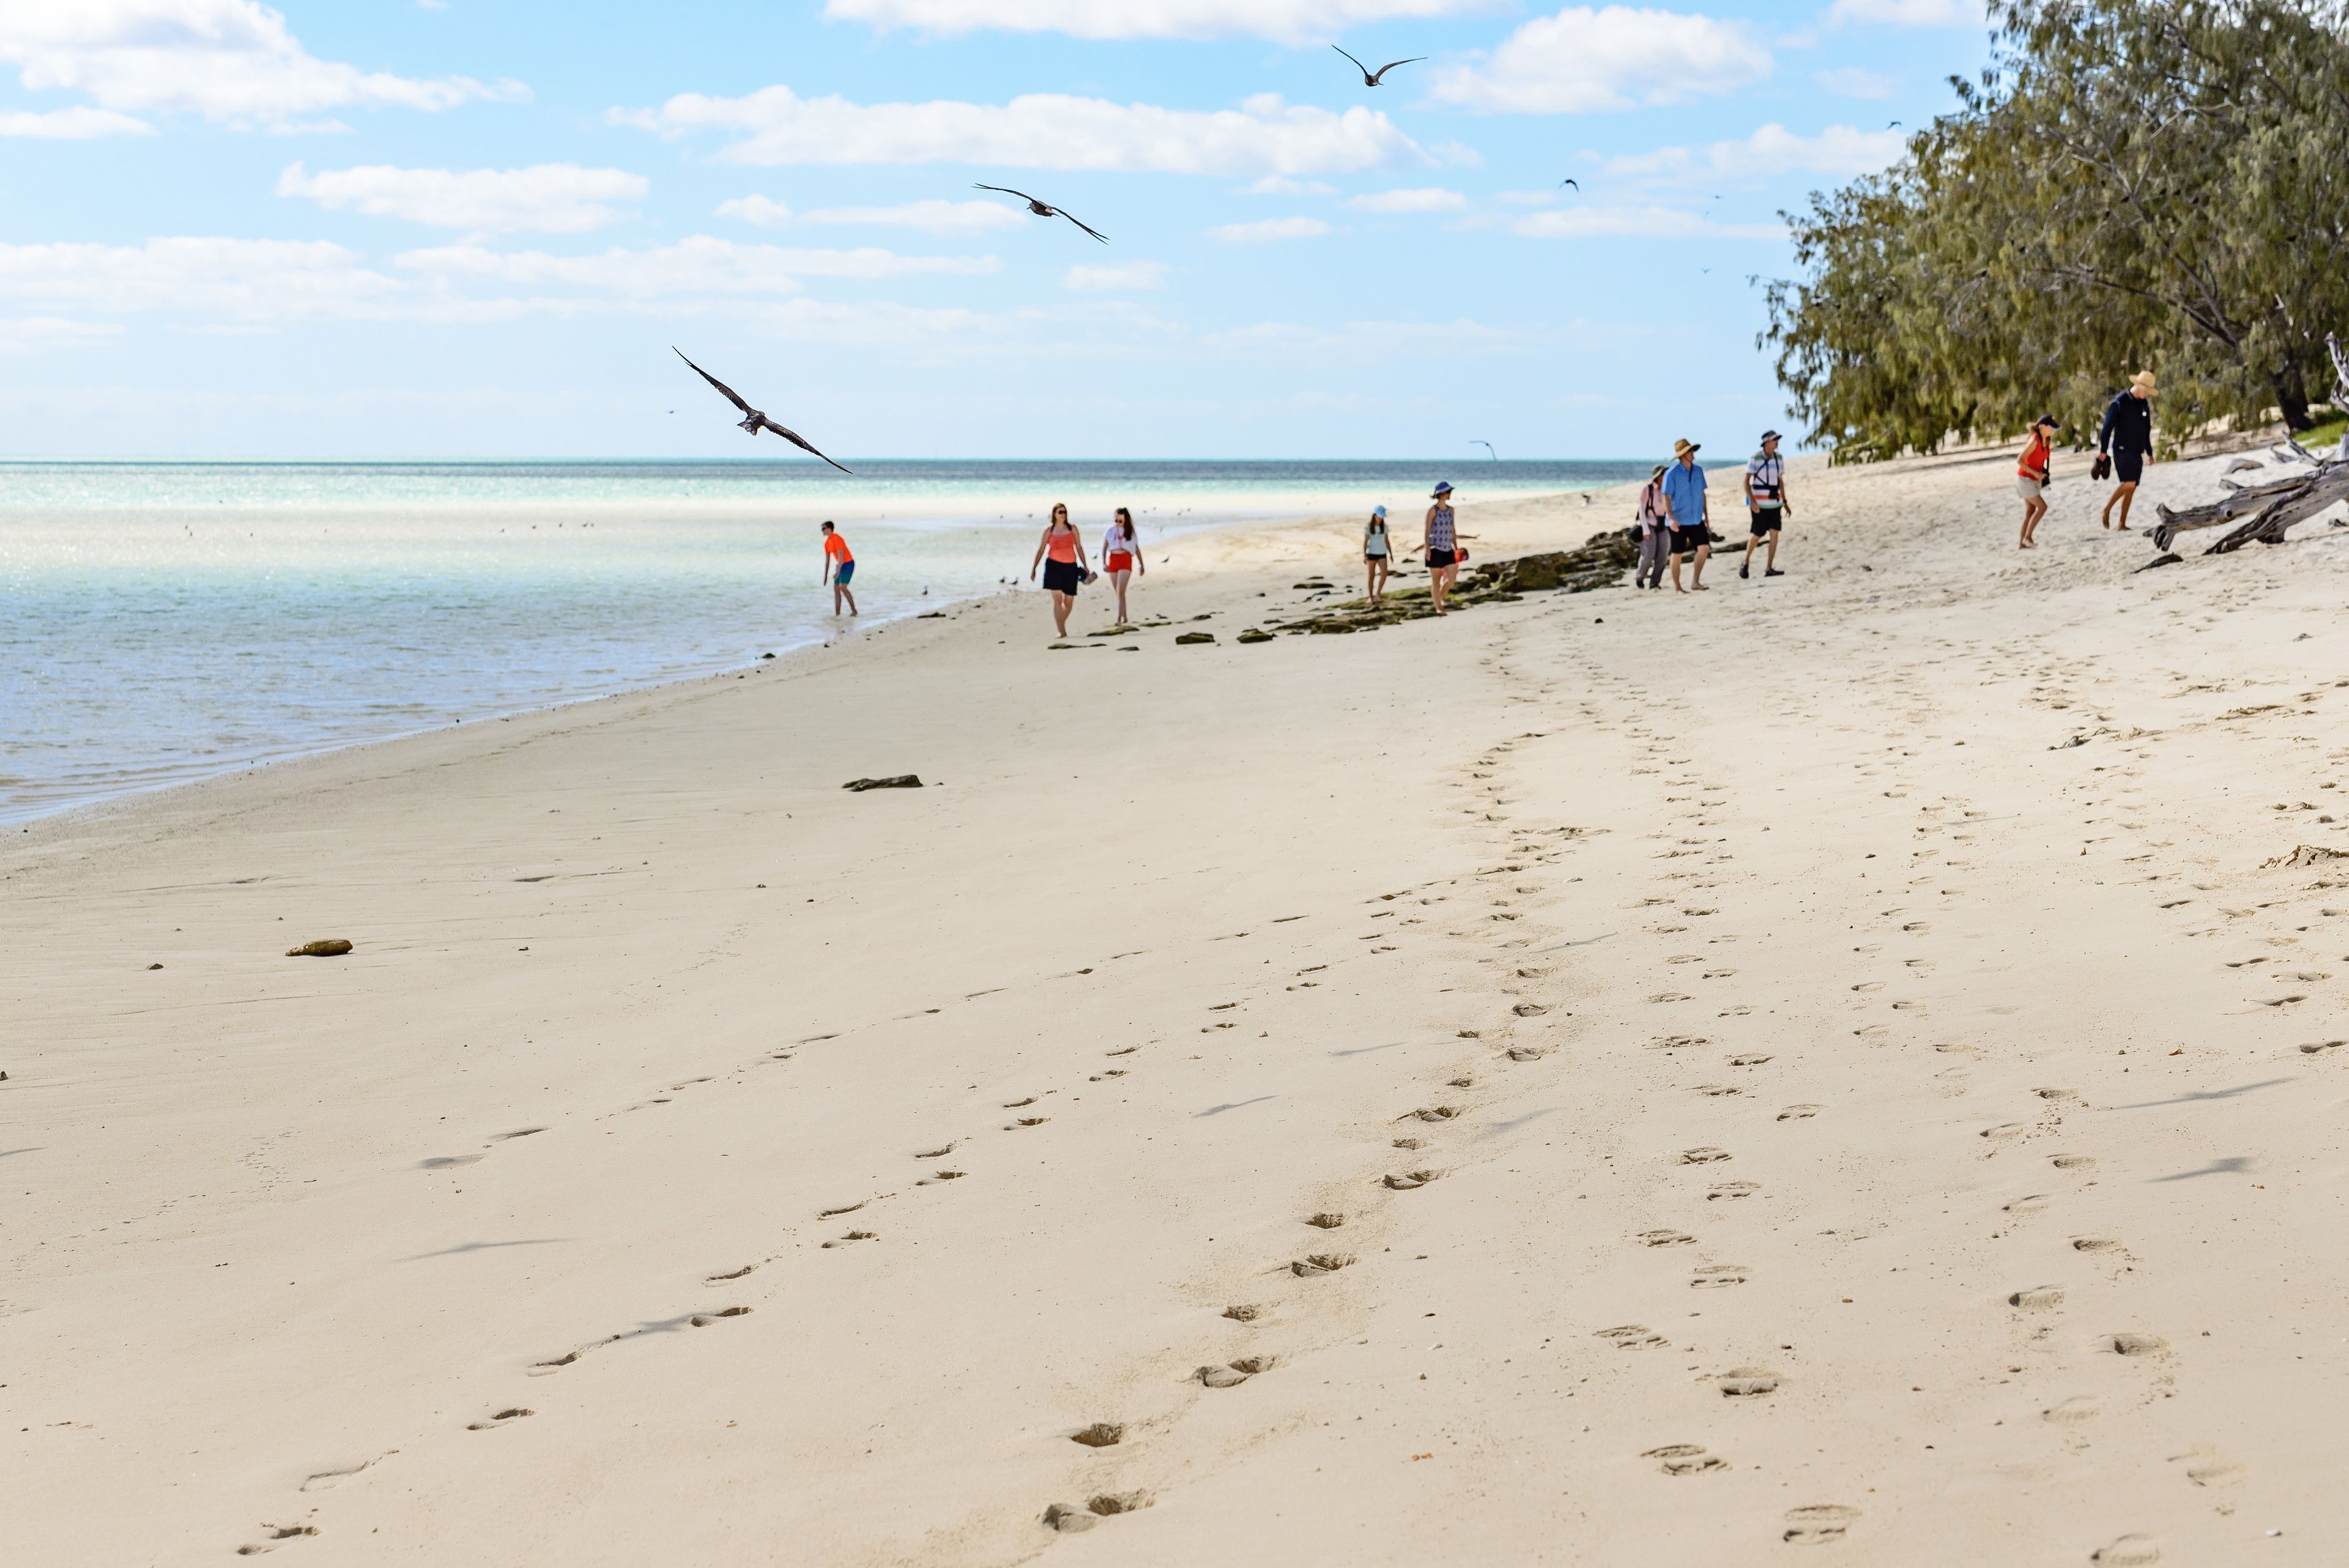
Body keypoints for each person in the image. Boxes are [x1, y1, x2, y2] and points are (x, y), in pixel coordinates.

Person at [2097, 370, 2157, 531]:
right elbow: (2107, 428)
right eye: (2146, 391)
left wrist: (2149, 452)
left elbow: (2147, 430)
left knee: (2132, 487)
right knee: (2128, 483)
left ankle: (2122, 523)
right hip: (2121, 449)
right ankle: (2107, 509)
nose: (2147, 395)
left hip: (2137, 451)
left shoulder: (2144, 404)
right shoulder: (2119, 403)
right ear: (2137, 386)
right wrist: (2103, 450)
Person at [1028, 502, 1089, 638]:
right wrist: (1034, 568)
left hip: (1070, 567)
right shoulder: (1049, 531)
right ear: (1054, 514)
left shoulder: (1072, 529)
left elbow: (1079, 547)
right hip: (1053, 567)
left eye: (1065, 512)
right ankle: (1061, 630)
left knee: (1069, 601)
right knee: (1057, 599)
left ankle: (1061, 623)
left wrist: (1085, 565)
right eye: (1060, 512)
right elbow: (1041, 550)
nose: (1063, 515)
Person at [1661, 439, 1710, 593]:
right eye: (1690, 451)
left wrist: (1707, 517)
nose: (1692, 453)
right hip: (1678, 521)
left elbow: (1703, 494)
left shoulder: (1699, 471)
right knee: (1677, 553)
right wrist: (1672, 518)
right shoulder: (1671, 474)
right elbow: (1666, 497)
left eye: (1692, 451)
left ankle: (1695, 581)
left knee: (1704, 549)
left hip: (1696, 519)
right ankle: (1678, 587)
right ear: (1683, 455)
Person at [1740, 429, 1789, 579]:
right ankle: (1746, 561)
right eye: (1774, 440)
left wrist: (1785, 501)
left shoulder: (1779, 458)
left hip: (1775, 503)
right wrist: (1752, 501)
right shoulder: (1755, 458)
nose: (1777, 442)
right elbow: (1746, 481)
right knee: (1758, 534)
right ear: (1766, 442)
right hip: (1760, 503)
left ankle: (1769, 568)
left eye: (1777, 440)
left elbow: (1781, 481)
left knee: (1775, 533)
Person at [2016, 413, 2058, 549]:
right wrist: (2035, 473)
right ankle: (2027, 538)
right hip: (2025, 480)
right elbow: (2020, 460)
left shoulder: (2047, 440)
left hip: (2034, 481)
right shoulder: (2034, 440)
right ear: (2042, 427)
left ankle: (2022, 544)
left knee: (2030, 511)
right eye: (2051, 428)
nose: (2053, 430)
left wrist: (2042, 473)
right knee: (2042, 507)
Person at [1422, 481, 1461, 614]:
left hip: (1448, 548)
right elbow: (1427, 531)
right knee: (1436, 580)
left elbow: (1453, 529)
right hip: (1435, 548)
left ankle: (1439, 598)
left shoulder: (1451, 510)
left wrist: (1456, 547)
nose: (1450, 494)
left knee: (1452, 578)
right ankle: (1439, 607)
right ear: (1441, 494)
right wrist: (1427, 549)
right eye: (1448, 491)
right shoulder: (1433, 510)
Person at [1100, 506, 1143, 625]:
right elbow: (1104, 548)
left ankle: (1119, 619)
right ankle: (1125, 616)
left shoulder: (1131, 532)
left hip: (1125, 559)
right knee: (1118, 592)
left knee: (1120, 591)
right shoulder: (1110, 531)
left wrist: (1141, 564)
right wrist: (1103, 563)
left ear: (1126, 520)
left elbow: (1136, 548)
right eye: (1116, 521)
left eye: (1120, 521)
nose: (1118, 523)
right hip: (1113, 559)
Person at [1633, 464, 1669, 589]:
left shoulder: (1668, 489)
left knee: (1663, 556)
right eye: (1664, 474)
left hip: (1663, 525)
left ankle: (1655, 583)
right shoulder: (1647, 490)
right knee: (1648, 555)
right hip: (1649, 525)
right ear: (1658, 476)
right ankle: (1640, 577)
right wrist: (1645, 529)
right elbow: (1642, 511)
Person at [820, 520, 857, 616]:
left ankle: (854, 611)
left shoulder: (837, 538)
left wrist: (838, 571)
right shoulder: (827, 543)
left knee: (843, 587)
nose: (822, 531)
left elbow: (841, 556)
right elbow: (828, 561)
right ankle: (837, 615)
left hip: (848, 563)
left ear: (829, 529)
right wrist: (825, 577)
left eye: (823, 528)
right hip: (840, 565)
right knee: (836, 589)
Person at [1362, 505, 1394, 604]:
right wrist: (1364, 555)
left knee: (1384, 573)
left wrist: (1391, 554)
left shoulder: (1385, 528)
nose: (1380, 519)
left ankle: (1378, 593)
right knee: (1371, 575)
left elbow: (1387, 541)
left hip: (1382, 554)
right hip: (1371, 554)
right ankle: (1370, 597)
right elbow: (1365, 542)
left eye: (1382, 517)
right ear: (1375, 515)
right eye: (1379, 516)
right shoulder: (1369, 528)